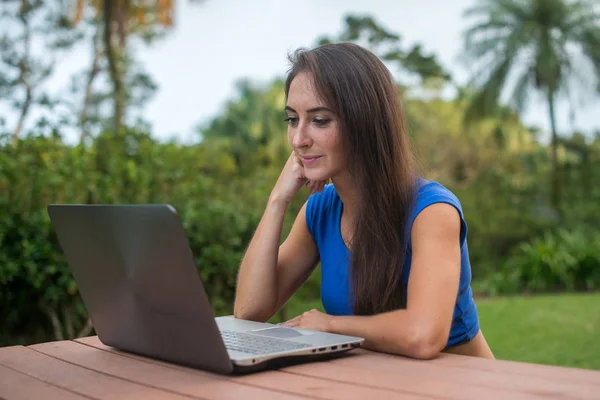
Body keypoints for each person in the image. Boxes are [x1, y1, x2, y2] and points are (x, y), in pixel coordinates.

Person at [233, 42, 494, 360]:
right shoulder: (320, 212)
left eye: (320, 120)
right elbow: (249, 312)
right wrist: (277, 201)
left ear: (363, 122)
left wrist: (329, 325)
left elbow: (423, 336)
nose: (299, 139)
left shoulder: (432, 211)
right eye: (292, 120)